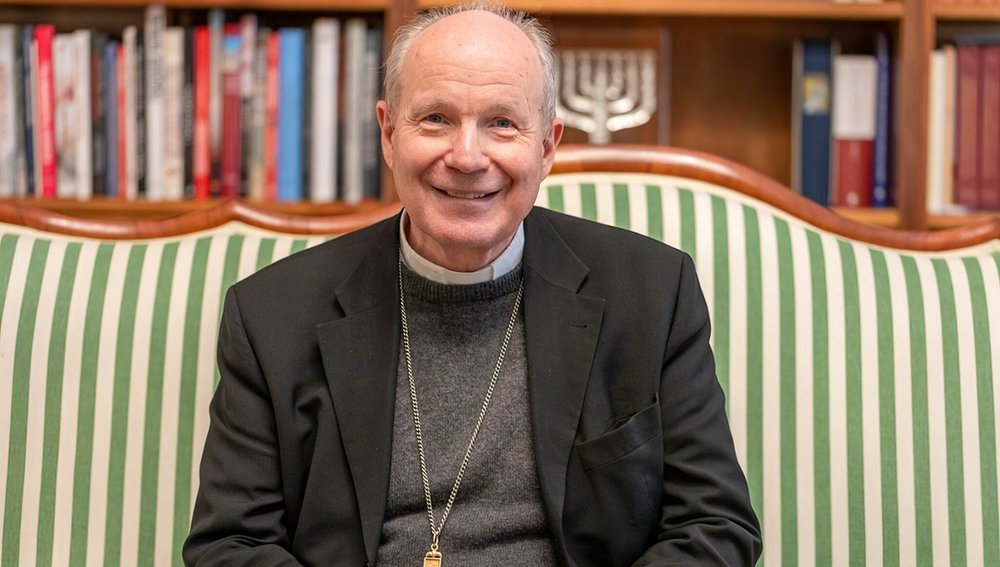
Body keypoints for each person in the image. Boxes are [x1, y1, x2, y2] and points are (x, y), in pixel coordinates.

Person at [184, 3, 761, 565]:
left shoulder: (654, 294)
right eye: (436, 118)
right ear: (389, 133)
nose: (466, 156)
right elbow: (230, 544)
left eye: (502, 123)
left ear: (547, 147)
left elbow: (715, 526)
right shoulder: (270, 316)